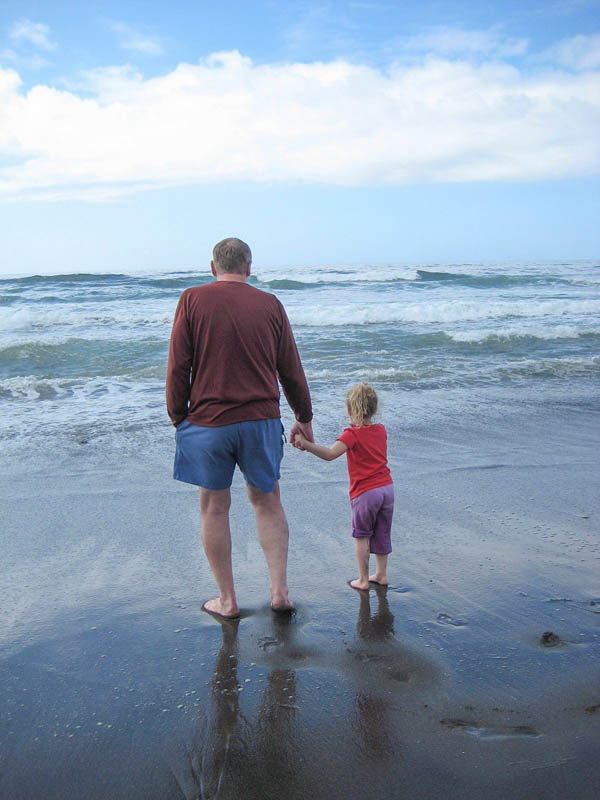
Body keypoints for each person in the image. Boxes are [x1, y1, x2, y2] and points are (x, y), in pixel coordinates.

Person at [166, 237, 313, 619]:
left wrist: (177, 415)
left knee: (214, 507)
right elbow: (290, 367)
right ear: (249, 266)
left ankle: (228, 601)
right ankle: (279, 593)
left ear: (213, 267)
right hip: (260, 421)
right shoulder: (270, 304)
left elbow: (179, 364)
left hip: (208, 423)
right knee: (268, 502)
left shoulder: (192, 299)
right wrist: (304, 416)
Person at [295, 383, 393, 591]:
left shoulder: (351, 434)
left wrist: (306, 444)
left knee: (362, 536)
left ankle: (363, 580)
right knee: (382, 532)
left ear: (349, 410)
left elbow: (330, 454)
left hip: (366, 493)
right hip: (387, 488)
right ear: (374, 409)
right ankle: (381, 574)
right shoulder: (381, 430)